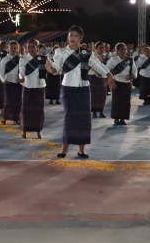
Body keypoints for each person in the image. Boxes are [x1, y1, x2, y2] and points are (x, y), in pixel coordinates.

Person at [45, 26, 116, 159]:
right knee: (70, 118)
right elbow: (56, 68)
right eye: (70, 35)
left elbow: (97, 65)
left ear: (80, 38)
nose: (72, 38)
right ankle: (64, 149)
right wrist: (51, 69)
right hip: (68, 88)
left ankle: (81, 150)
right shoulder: (60, 52)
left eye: (75, 36)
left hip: (84, 88)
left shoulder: (86, 53)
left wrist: (109, 74)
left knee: (84, 118)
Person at [17, 39, 47, 138]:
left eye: (33, 47)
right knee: (26, 110)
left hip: (40, 86)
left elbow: (51, 67)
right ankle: (24, 131)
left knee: (39, 110)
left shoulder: (43, 58)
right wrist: (21, 78)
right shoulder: (23, 59)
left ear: (37, 48)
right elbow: (21, 70)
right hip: (27, 85)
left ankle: (39, 131)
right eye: (29, 47)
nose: (30, 49)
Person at [105, 43, 135, 125]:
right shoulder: (113, 59)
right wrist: (110, 78)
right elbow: (106, 69)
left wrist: (133, 76)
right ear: (117, 51)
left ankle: (123, 118)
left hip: (127, 82)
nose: (124, 51)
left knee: (126, 101)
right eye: (121, 50)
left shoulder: (130, 60)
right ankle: (116, 118)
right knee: (117, 101)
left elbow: (135, 71)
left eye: (125, 49)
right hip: (117, 82)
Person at [0, 41, 22, 125]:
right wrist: (3, 79)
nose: (13, 49)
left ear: (17, 49)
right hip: (8, 83)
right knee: (8, 101)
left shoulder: (20, 59)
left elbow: (22, 71)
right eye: (11, 47)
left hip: (17, 83)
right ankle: (5, 118)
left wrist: (21, 79)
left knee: (17, 101)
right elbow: (1, 71)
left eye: (15, 47)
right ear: (8, 48)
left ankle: (16, 118)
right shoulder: (4, 59)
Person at [89, 42, 108, 118]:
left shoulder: (106, 57)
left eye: (103, 48)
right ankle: (94, 112)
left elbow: (108, 67)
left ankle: (101, 111)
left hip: (103, 78)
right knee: (94, 95)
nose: (102, 49)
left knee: (102, 95)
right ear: (96, 48)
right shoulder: (92, 56)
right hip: (94, 77)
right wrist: (97, 72)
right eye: (100, 48)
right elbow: (90, 67)